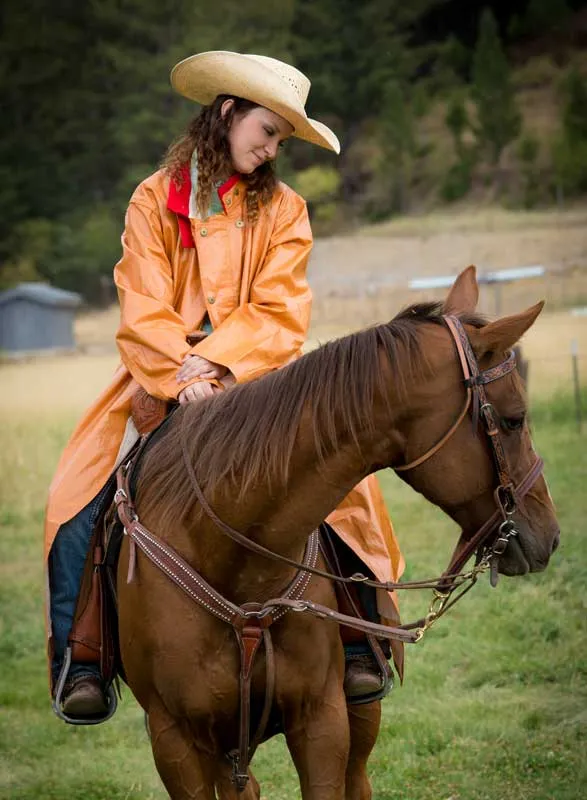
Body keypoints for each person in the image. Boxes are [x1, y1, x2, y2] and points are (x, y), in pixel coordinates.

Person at [45, 51, 405, 719]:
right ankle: (84, 657)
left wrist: (215, 365)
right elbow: (140, 300)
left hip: (258, 376)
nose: (270, 151)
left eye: (279, 142)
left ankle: (358, 642)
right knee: (78, 498)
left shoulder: (286, 211)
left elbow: (278, 308)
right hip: (159, 372)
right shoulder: (154, 199)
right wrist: (176, 373)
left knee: (344, 483)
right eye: (265, 131)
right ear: (226, 112)